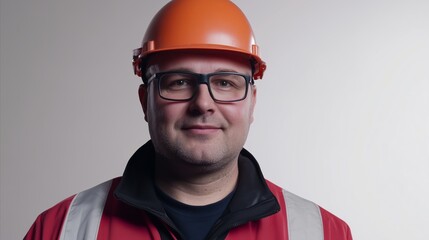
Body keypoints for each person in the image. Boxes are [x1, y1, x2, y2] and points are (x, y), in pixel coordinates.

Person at [24, 0, 352, 239]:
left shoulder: (322, 232)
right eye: (178, 82)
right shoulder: (62, 228)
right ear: (145, 102)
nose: (203, 104)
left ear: (252, 103)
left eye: (226, 83)